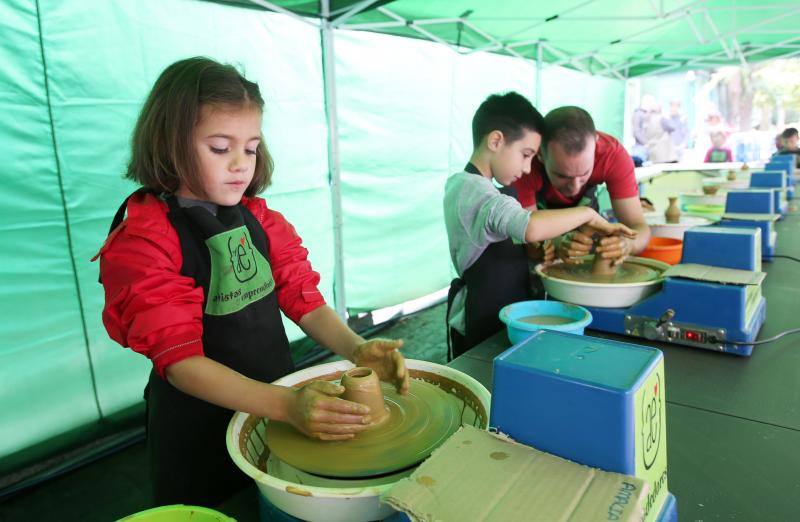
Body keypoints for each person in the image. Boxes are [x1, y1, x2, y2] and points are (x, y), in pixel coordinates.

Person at [94, 57, 409, 507]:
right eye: (220, 149)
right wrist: (284, 405)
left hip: (278, 405)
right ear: (169, 144)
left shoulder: (260, 220)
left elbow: (303, 298)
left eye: (252, 147)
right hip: (199, 428)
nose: (241, 164)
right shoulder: (146, 241)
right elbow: (181, 362)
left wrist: (356, 349)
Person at [444, 93, 635, 359]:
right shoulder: (468, 188)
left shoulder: (488, 189)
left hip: (511, 316)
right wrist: (587, 215)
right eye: (525, 155)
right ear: (496, 140)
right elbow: (530, 226)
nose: (526, 169)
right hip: (481, 322)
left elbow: (514, 241)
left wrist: (535, 252)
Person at [511, 106, 651, 269]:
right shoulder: (524, 164)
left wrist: (627, 244)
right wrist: (555, 244)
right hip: (537, 223)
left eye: (584, 173)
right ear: (540, 154)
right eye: (562, 176)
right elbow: (526, 236)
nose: (574, 187)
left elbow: (639, 227)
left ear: (595, 147)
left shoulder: (613, 156)